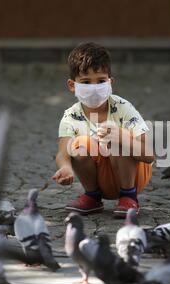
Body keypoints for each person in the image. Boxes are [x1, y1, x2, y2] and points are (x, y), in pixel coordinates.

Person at [52, 42, 154, 218]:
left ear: (110, 82)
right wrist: (65, 167)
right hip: (100, 179)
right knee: (79, 144)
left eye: (100, 81)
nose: (93, 88)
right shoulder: (71, 116)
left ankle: (129, 196)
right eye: (86, 82)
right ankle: (92, 196)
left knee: (118, 138)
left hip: (133, 176)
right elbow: (63, 152)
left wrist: (122, 136)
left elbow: (149, 155)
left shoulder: (123, 108)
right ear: (72, 85)